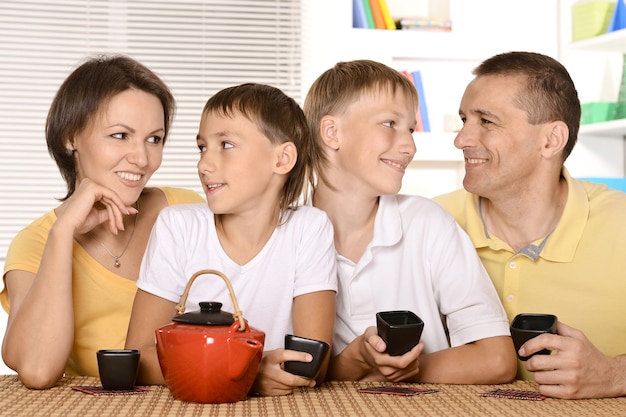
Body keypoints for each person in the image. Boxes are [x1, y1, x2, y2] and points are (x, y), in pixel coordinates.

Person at [303, 59, 517, 384]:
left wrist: (408, 370)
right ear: (332, 132)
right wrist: (357, 359)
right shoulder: (285, 236)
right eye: (390, 123)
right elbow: (291, 371)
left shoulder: (428, 224)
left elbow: (497, 359)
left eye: (410, 129)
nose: (409, 146)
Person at [0, 55, 205, 389]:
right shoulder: (36, 243)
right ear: (70, 137)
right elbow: (37, 371)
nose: (142, 158)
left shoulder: (184, 211)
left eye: (154, 139)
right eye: (121, 135)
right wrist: (63, 233)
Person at [434, 51, 626, 399]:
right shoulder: (430, 224)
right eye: (464, 120)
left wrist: (614, 375)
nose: (462, 139)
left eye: (487, 121)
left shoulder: (622, 224)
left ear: (551, 140)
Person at [125, 83, 337, 396]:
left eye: (225, 144)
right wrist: (245, 373)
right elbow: (139, 356)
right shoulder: (178, 226)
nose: (203, 164)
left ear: (282, 159)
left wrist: (234, 370)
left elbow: (312, 359)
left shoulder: (310, 228)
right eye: (202, 147)